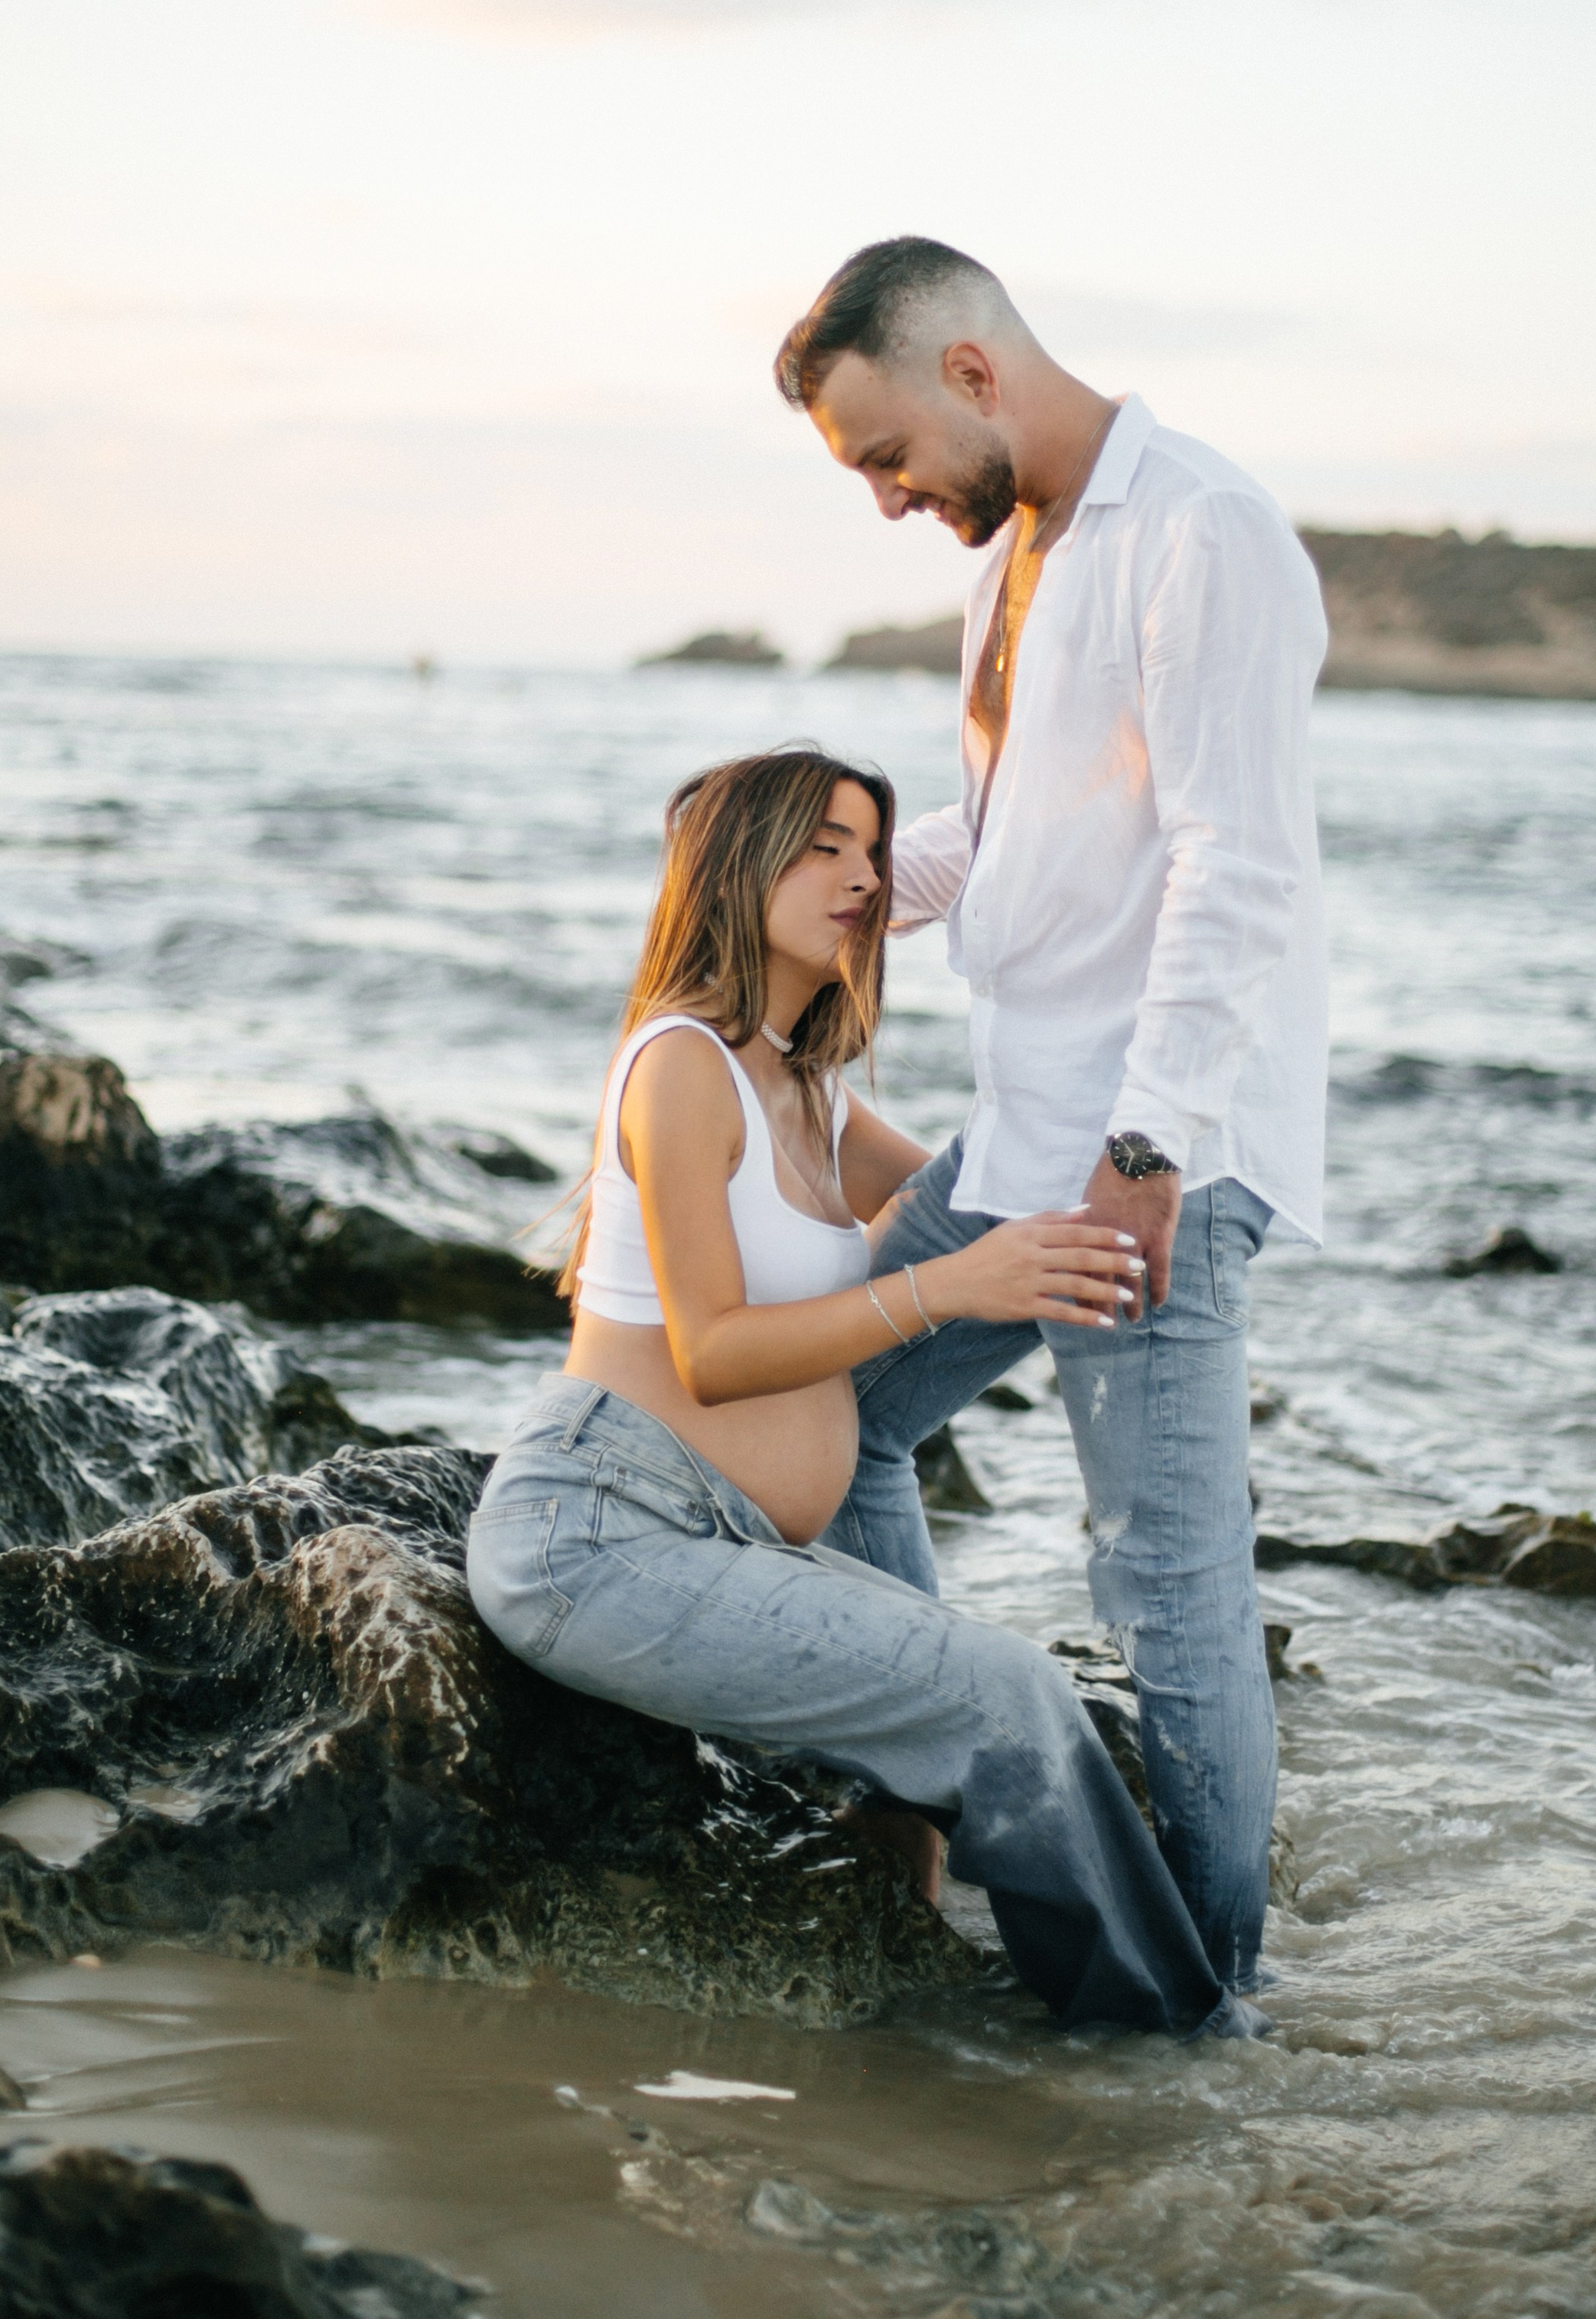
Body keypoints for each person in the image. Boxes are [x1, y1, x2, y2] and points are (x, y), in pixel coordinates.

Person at [466, 745, 1267, 2039]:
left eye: (873, 851)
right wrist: (948, 1290)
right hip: (598, 1534)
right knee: (1012, 1697)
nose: (862, 878)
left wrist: (1169, 1156)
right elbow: (714, 1351)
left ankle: (972, 1973)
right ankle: (1174, 2043)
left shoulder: (805, 1089)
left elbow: (997, 1193)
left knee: (982, 1699)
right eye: (821, 847)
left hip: (714, 1539)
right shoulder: (681, 1065)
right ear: (737, 869)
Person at [773, 238, 1328, 2001]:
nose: (884, 500)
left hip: (1146, 1155)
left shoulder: (1198, 531)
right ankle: (937, 1797)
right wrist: (818, 896)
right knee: (832, 1414)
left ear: (968, 370)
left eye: (883, 455)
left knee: (1164, 1586)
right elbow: (1013, 840)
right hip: (1022, 1138)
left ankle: (1199, 2008)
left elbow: (1236, 865)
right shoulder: (1017, 555)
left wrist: (1146, 1153)